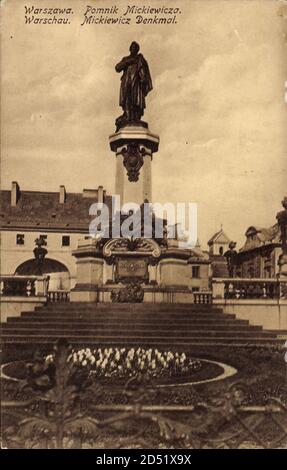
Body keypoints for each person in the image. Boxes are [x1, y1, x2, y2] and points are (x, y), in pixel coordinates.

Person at [115, 41, 152, 128]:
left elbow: (144, 73)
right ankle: (128, 116)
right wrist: (127, 62)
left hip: (136, 83)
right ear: (130, 49)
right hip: (126, 82)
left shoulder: (140, 59)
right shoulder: (126, 59)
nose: (134, 49)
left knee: (136, 100)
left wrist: (143, 80)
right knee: (127, 100)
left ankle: (135, 118)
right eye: (132, 47)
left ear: (138, 50)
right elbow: (117, 68)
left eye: (136, 47)